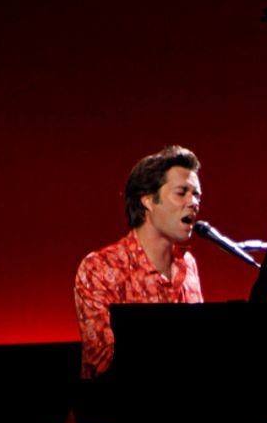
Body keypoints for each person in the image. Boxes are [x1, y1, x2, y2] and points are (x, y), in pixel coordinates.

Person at [74, 145, 204, 380]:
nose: (193, 202)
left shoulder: (188, 265)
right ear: (148, 201)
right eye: (181, 192)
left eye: (196, 195)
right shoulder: (101, 267)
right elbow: (101, 363)